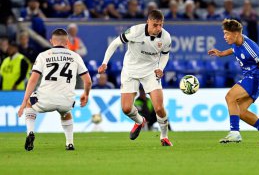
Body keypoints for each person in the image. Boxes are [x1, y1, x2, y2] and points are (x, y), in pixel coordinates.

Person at [97, 10, 173, 146]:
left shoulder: (166, 37)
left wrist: (160, 68)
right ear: (148, 21)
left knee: (159, 108)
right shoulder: (135, 31)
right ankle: (140, 121)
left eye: (161, 25)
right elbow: (115, 44)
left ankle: (164, 137)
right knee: (126, 108)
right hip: (130, 71)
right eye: (155, 25)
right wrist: (104, 62)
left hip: (150, 72)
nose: (158, 28)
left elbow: (165, 54)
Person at [17, 28, 92, 151]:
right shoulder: (75, 56)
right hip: (66, 100)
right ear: (67, 41)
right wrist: (86, 94)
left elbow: (33, 79)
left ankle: (30, 132)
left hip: (45, 98)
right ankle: (69, 143)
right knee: (66, 113)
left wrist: (24, 102)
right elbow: (88, 81)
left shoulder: (43, 55)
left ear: (51, 41)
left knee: (30, 103)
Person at [207, 19, 259, 145]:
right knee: (240, 111)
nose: (224, 37)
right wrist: (221, 53)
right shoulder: (237, 42)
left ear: (236, 34)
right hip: (250, 77)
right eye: (224, 33)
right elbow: (233, 50)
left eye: (227, 34)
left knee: (230, 96)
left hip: (256, 78)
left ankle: (235, 133)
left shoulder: (250, 48)